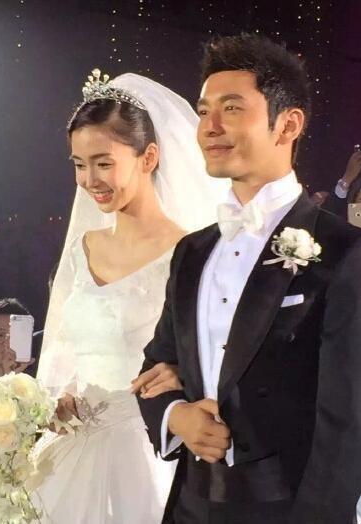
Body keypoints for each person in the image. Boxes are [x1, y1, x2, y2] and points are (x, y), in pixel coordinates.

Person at [136, 33, 361, 524]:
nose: (210, 127)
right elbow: (156, 364)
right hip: (189, 504)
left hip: (282, 509)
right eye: (204, 111)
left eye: (232, 108)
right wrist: (175, 415)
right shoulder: (192, 251)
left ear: (288, 124)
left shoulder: (350, 252)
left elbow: (351, 420)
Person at [32, 71, 227, 523]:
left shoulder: (190, 253)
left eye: (103, 163)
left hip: (147, 451)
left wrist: (183, 375)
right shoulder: (82, 251)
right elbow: (63, 351)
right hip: (71, 449)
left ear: (149, 157)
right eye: (79, 164)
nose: (89, 180)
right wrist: (57, 397)